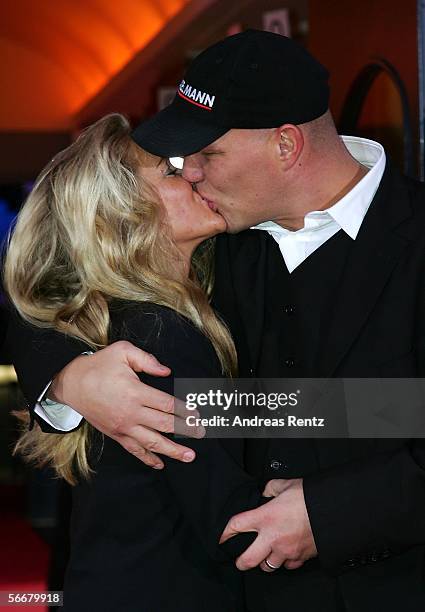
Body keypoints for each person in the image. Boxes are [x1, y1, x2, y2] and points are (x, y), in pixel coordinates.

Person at [6, 29, 425, 611]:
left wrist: (334, 511)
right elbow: (51, 300)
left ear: (285, 146)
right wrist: (71, 379)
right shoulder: (211, 243)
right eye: (180, 164)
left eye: (207, 154)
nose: (194, 173)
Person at [3, 113, 274, 612]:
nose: (193, 171)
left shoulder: (138, 319)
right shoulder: (159, 332)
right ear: (124, 215)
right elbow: (230, 523)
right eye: (170, 170)